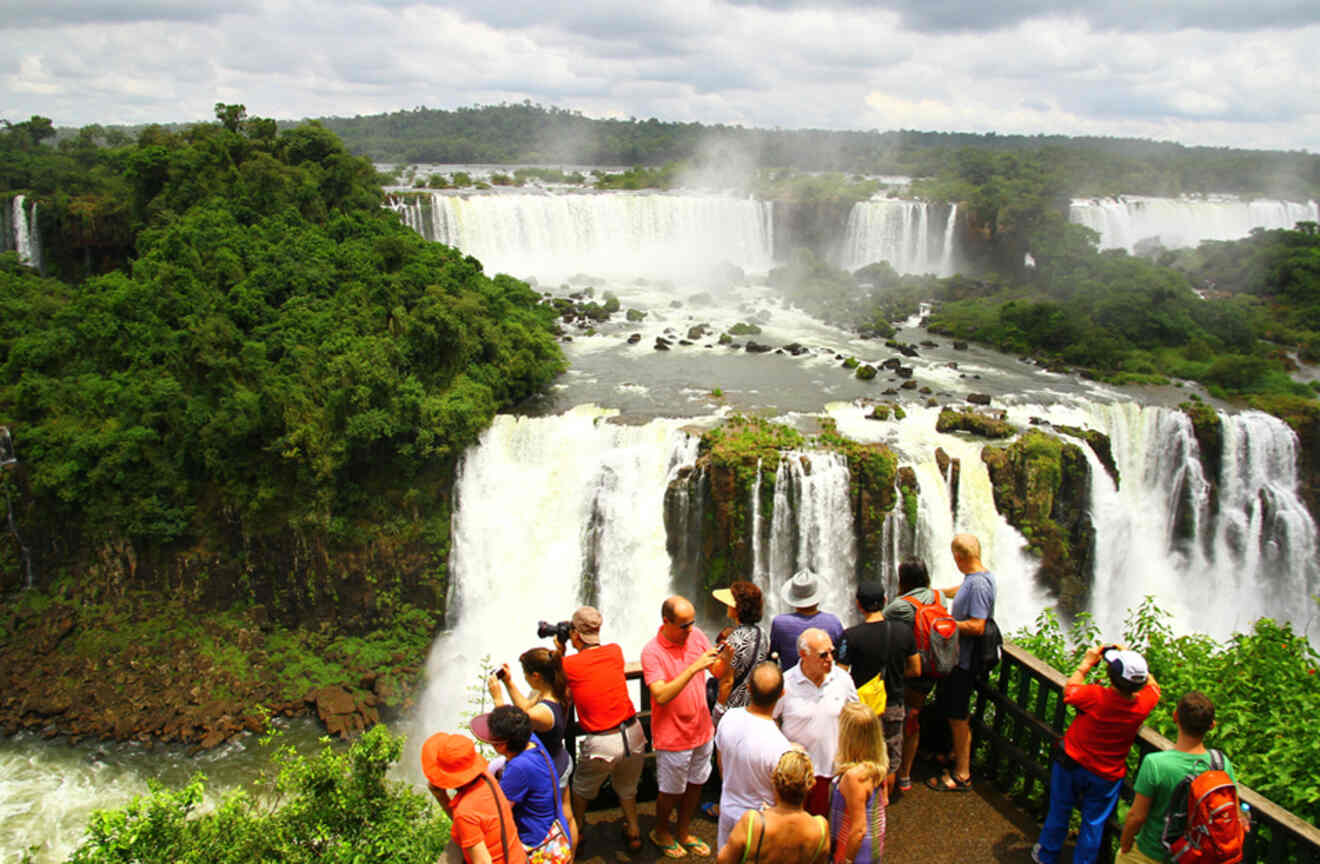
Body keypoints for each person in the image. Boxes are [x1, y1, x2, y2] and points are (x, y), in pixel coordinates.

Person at [1032, 644, 1161, 864]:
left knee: (1059, 810)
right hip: (1106, 774)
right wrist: (1136, 665)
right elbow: (1155, 688)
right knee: (1093, 824)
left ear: (1111, 675)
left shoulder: (1095, 695)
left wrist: (1086, 664)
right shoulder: (1143, 704)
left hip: (1071, 763)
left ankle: (1046, 855)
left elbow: (1069, 690)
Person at [642, 594, 726, 858]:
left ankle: (683, 831)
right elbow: (661, 695)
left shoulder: (697, 636)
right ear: (666, 622)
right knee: (670, 790)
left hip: (702, 729)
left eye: (692, 623)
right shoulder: (651, 652)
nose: (691, 629)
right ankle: (661, 831)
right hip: (673, 735)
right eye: (684, 625)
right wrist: (693, 667)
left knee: (696, 784)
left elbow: (718, 672)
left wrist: (728, 659)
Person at [557, 605, 647, 853]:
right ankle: (634, 831)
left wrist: (560, 649)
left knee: (581, 788)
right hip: (634, 732)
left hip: (602, 742)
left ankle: (579, 829)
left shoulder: (569, 665)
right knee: (627, 787)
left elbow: (558, 680)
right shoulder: (615, 651)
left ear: (575, 634)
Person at [1118, 692, 1240, 864]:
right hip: (1193, 856)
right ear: (1212, 725)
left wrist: (1125, 845)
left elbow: (1136, 816)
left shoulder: (1155, 764)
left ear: (1175, 717)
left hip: (1152, 853)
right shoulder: (1220, 763)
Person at [837, 581, 919, 799]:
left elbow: (840, 674)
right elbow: (916, 668)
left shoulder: (850, 636)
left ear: (858, 605)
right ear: (884, 601)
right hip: (892, 704)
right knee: (890, 762)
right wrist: (895, 677)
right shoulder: (903, 632)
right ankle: (883, 807)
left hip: (861, 709)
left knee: (860, 757)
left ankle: (859, 802)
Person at [487, 647, 577, 848]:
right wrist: (509, 682)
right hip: (561, 756)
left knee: (560, 818)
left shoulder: (543, 712)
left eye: (525, 675)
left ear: (536, 676)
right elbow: (526, 708)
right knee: (566, 815)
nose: (524, 679)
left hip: (549, 766)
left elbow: (508, 726)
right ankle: (570, 850)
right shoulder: (555, 690)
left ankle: (561, 850)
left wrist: (497, 698)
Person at [927, 533, 996, 792]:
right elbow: (961, 589)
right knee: (952, 710)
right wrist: (935, 594)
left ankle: (962, 775)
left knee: (958, 716)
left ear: (958, 557)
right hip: (959, 659)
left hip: (965, 662)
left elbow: (978, 626)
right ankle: (954, 755)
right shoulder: (978, 576)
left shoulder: (978, 585)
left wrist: (944, 624)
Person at [774, 627, 858, 816]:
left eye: (832, 652)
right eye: (823, 655)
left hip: (832, 773)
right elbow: (769, 720)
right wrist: (783, 746)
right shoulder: (786, 683)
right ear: (803, 655)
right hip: (796, 777)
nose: (830, 659)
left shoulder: (843, 680)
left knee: (827, 831)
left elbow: (856, 718)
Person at [470, 706, 571, 863]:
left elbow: (498, 810)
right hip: (553, 826)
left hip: (536, 839)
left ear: (501, 745)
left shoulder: (518, 768)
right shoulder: (530, 739)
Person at [713, 662, 793, 851]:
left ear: (748, 689)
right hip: (760, 821)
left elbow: (721, 764)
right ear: (782, 694)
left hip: (728, 808)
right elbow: (780, 797)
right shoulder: (781, 746)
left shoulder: (729, 718)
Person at [421, 731, 529, 864]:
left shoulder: (465, 812)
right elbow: (470, 824)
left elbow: (483, 862)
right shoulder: (486, 778)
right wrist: (441, 797)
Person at [880, 558, 940, 792]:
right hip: (931, 667)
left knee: (894, 720)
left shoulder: (899, 606)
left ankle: (889, 771)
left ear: (903, 579)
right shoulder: (938, 597)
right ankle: (905, 774)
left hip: (904, 670)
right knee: (913, 717)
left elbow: (878, 624)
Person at [716, 749, 831, 864]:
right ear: (810, 784)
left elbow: (724, 860)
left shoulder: (753, 823)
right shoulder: (820, 829)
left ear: (774, 781)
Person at [829, 702, 890, 864]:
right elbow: (885, 801)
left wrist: (846, 861)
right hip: (873, 848)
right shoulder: (878, 762)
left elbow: (859, 829)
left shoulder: (854, 777)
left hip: (854, 852)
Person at [710, 581, 769, 719]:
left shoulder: (734, 640)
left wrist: (712, 653)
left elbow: (720, 674)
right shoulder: (762, 633)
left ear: (737, 608)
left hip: (732, 707)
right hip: (753, 703)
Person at [769, 570, 845, 670]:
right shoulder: (833, 622)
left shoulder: (779, 623)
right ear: (818, 596)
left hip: (790, 682)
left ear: (793, 597)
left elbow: (773, 655)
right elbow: (842, 655)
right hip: (824, 681)